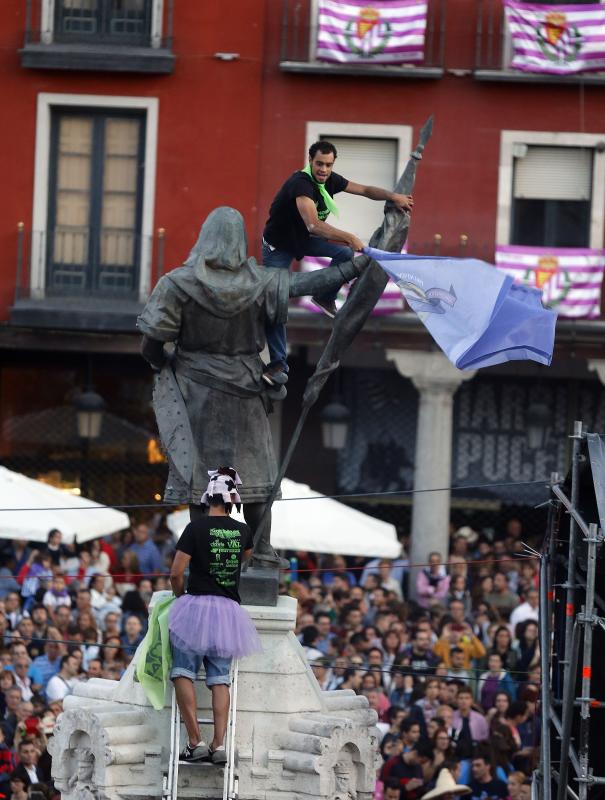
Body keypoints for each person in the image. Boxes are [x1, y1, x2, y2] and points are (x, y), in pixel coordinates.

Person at [139, 206, 367, 567]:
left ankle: (204, 557)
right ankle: (262, 554)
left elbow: (152, 342)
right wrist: (354, 267)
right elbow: (306, 285)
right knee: (257, 476)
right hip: (247, 388)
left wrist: (161, 363)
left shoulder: (177, 283)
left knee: (202, 478)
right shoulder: (261, 282)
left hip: (195, 390)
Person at [261, 140, 413, 383]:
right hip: (278, 247)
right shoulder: (300, 184)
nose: (323, 170)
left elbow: (364, 190)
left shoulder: (331, 180)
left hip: (302, 239)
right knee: (274, 303)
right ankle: (278, 364)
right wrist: (349, 236)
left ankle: (324, 296)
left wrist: (393, 196)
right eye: (319, 164)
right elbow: (313, 224)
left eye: (328, 165)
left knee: (344, 255)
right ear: (310, 161)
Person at [168, 469, 262, 764]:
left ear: (207, 497)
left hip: (194, 607)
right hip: (228, 612)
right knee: (220, 679)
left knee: (182, 671)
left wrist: (180, 597)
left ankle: (195, 741)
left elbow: (175, 573)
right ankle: (219, 745)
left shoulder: (194, 529)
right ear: (233, 499)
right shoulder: (243, 531)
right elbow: (244, 557)